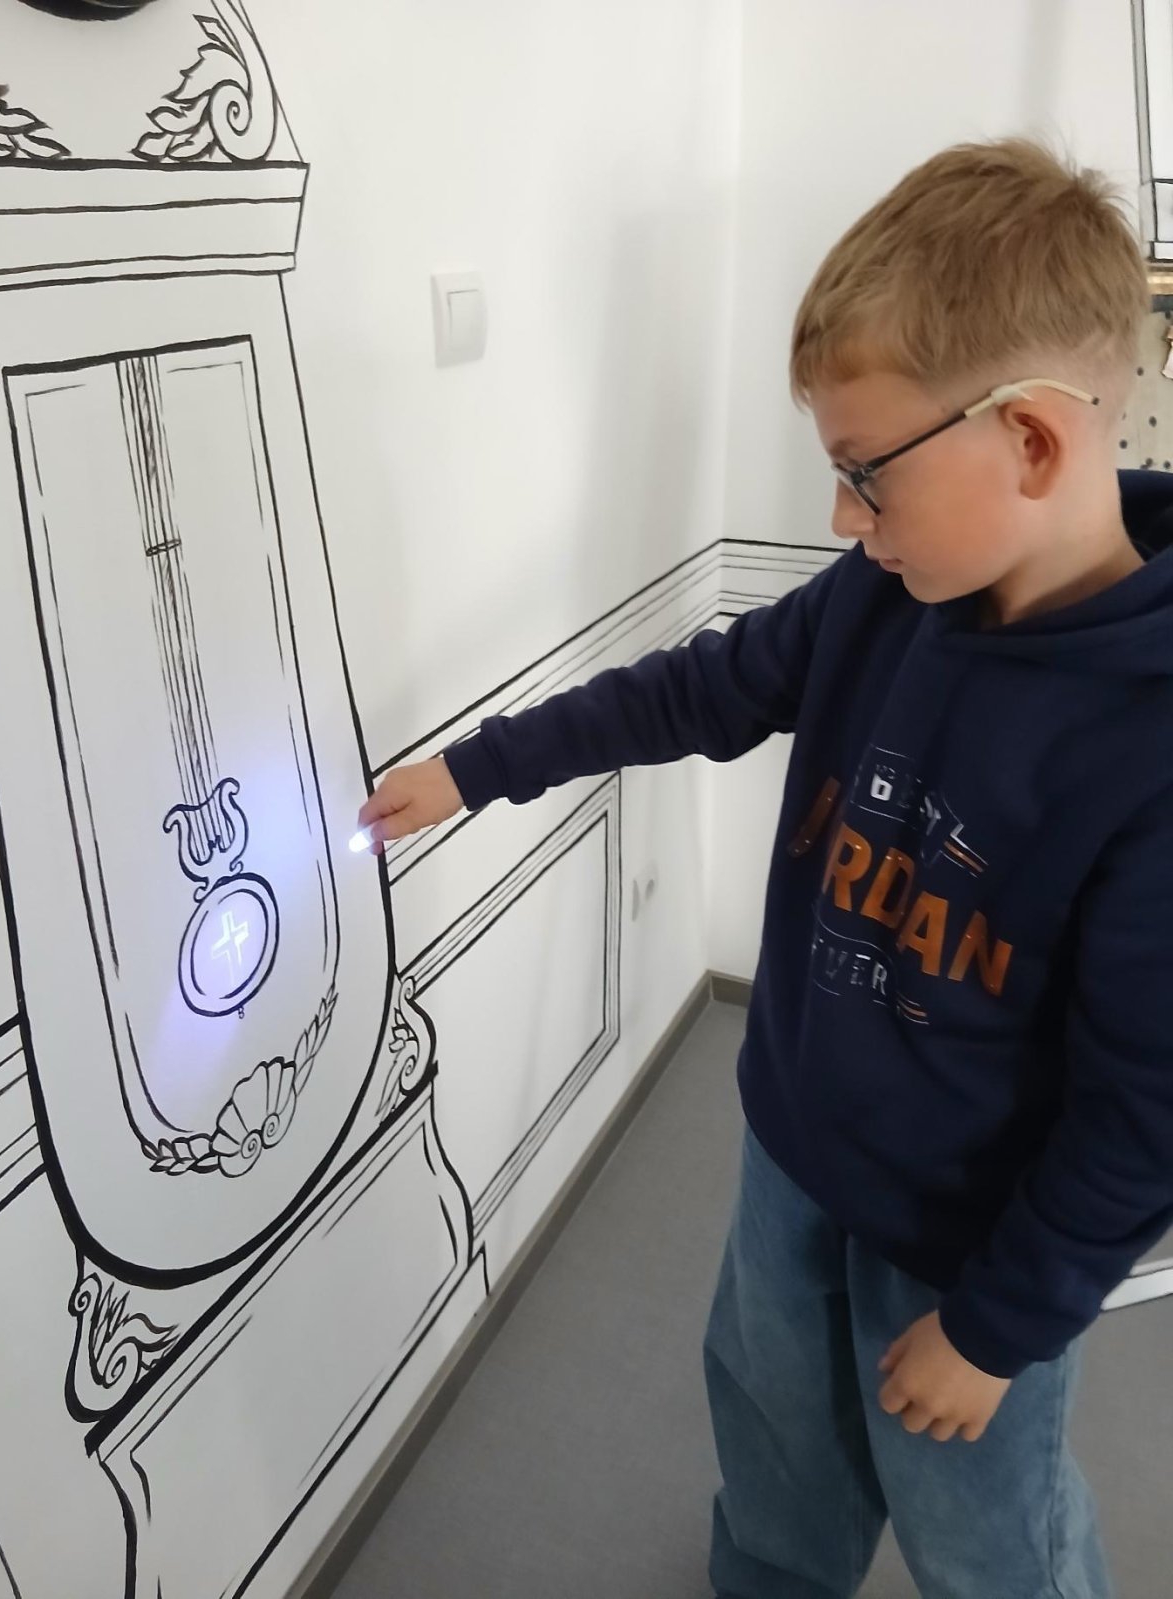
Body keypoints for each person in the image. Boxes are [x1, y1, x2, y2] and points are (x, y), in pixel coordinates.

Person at [357, 138, 1173, 1598]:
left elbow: (1146, 1111)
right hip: (793, 1155)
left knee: (986, 1534)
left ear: (1034, 444)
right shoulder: (879, 600)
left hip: (971, 1246)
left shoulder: (1147, 740)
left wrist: (997, 1328)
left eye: (866, 477)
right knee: (779, 1453)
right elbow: (697, 690)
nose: (845, 521)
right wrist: (478, 768)